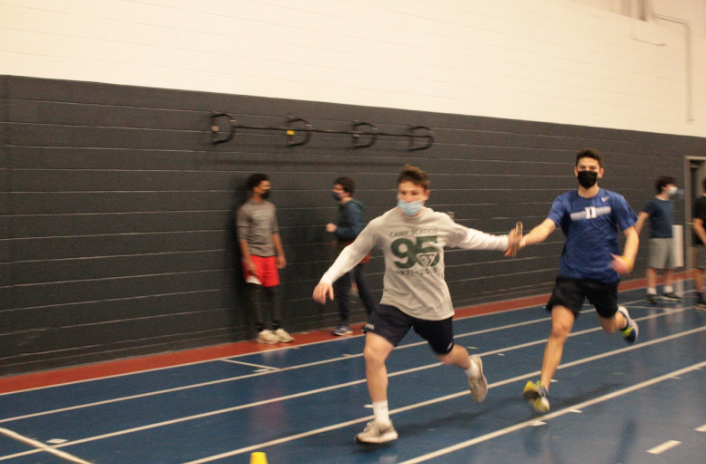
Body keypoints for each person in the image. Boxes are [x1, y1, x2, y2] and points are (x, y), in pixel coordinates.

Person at [313, 165, 518, 444]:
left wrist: (504, 241)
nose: (408, 199)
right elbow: (354, 250)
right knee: (372, 354)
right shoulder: (383, 224)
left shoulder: (440, 222)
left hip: (433, 306)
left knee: (446, 354)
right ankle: (383, 423)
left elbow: (470, 238)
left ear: (425, 195)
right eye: (403, 193)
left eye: (414, 194)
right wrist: (328, 277)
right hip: (395, 303)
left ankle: (472, 368)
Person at [515, 148, 639, 413]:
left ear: (600, 172)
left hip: (604, 276)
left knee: (608, 326)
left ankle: (623, 319)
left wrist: (627, 260)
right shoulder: (565, 201)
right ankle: (543, 389)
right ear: (575, 171)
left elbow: (633, 235)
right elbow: (546, 227)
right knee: (559, 330)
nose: (587, 172)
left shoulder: (614, 201)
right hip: (571, 275)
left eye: (592, 169)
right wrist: (524, 240)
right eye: (582, 168)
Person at [237, 173, 294, 344]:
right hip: (254, 256)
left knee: (273, 291)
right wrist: (248, 260)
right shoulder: (244, 210)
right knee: (255, 292)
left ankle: (277, 327)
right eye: (264, 186)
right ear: (255, 188)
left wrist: (280, 254)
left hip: (270, 256)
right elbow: (242, 238)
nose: (267, 189)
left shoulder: (271, 207)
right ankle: (261, 330)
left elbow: (274, 232)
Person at [327, 177, 377, 336]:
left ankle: (345, 324)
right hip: (351, 252)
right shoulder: (344, 207)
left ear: (346, 191)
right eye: (334, 188)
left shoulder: (351, 208)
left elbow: (355, 231)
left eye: (338, 189)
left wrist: (336, 230)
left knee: (344, 288)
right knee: (360, 287)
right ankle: (374, 320)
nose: (334, 191)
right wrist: (339, 239)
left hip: (354, 254)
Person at [633, 176, 680, 304]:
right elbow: (641, 217)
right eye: (672, 185)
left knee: (670, 265)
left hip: (670, 237)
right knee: (654, 265)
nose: (674, 188)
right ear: (664, 187)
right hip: (658, 238)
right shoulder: (654, 203)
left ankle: (667, 290)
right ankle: (651, 292)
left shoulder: (670, 202)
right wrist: (634, 235)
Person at [691, 179, 706, 309]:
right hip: (703, 243)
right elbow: (697, 225)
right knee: (700, 269)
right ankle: (700, 298)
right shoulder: (701, 202)